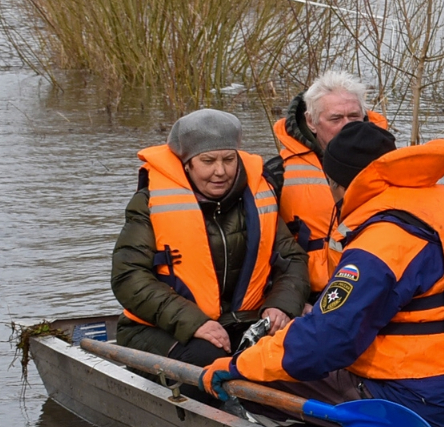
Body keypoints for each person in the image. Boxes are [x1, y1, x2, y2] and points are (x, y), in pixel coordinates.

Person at [210, 121, 444, 427]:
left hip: (404, 399)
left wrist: (237, 364)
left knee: (248, 380)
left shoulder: (382, 243)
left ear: (341, 182)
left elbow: (327, 341)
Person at [112, 108, 310, 367]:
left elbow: (292, 260)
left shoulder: (259, 198)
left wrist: (281, 306)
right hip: (159, 327)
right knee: (209, 360)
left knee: (305, 346)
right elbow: (128, 277)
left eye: (229, 159)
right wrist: (194, 322)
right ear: (187, 163)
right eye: (208, 161)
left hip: (244, 321)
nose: (221, 171)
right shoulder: (148, 203)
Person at [270, 70, 391, 293]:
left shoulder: (392, 163)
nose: (347, 126)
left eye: (354, 117)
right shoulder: (277, 174)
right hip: (309, 293)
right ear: (311, 122)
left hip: (378, 287)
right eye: (336, 118)